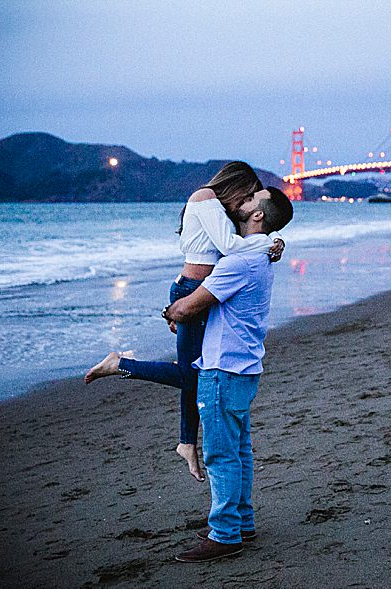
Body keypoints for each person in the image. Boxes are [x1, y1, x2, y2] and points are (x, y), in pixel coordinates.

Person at [84, 162, 284, 483]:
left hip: (206, 293)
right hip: (191, 291)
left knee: (193, 370)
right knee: (190, 373)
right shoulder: (204, 197)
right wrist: (268, 244)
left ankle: (187, 442)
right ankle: (120, 365)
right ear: (234, 183)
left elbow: (241, 241)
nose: (247, 201)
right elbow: (229, 247)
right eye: (246, 193)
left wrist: (273, 241)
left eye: (251, 198)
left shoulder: (222, 211)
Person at [166, 187, 293, 563]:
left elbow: (189, 308)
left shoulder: (239, 263)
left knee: (221, 454)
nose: (243, 200)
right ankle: (243, 521)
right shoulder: (261, 256)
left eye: (253, 198)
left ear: (257, 216)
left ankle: (224, 535)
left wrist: (171, 311)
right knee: (238, 449)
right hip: (245, 364)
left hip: (223, 368)